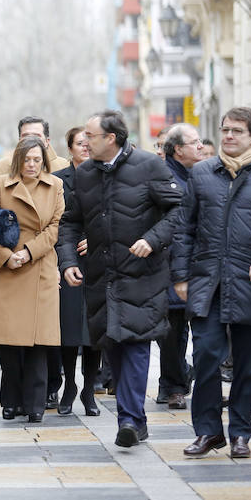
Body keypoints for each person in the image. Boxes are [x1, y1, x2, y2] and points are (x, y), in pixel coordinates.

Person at [173, 107, 251, 459]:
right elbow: (185, 228)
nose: (228, 136)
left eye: (237, 131)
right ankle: (208, 432)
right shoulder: (202, 174)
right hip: (208, 283)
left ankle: (241, 433)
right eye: (225, 130)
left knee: (247, 364)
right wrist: (181, 275)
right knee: (206, 357)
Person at [59, 110, 183, 448]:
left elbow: (179, 210)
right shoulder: (84, 174)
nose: (84, 141)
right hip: (101, 275)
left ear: (111, 138)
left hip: (143, 273)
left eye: (90, 135)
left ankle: (128, 418)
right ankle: (136, 420)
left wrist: (153, 239)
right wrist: (68, 260)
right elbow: (70, 222)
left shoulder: (150, 166)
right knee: (111, 341)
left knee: (136, 341)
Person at [0, 136, 64, 423]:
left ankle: (35, 404)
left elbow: (54, 228)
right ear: (18, 160)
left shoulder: (55, 186)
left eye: (37, 159)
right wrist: (4, 255)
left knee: (39, 342)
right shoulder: (2, 184)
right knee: (10, 341)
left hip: (39, 267)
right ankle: (11, 402)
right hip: (7, 269)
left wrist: (28, 252)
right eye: (27, 159)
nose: (32, 164)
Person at [156, 124, 205, 410]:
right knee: (172, 331)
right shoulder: (164, 179)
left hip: (200, 265)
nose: (200, 146)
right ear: (178, 149)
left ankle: (188, 383)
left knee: (196, 331)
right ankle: (173, 385)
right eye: (194, 142)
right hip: (171, 266)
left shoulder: (202, 174)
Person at [52, 127, 100, 417]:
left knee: (95, 329)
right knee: (69, 327)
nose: (85, 147)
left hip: (98, 259)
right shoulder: (59, 180)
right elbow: (56, 221)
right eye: (79, 143)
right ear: (69, 148)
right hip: (66, 258)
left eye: (89, 142)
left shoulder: (105, 176)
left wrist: (98, 238)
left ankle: (89, 389)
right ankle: (69, 385)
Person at [0, 116, 70, 180]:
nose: (31, 140)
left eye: (36, 136)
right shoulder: (1, 167)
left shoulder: (64, 166)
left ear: (47, 141)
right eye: (26, 136)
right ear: (19, 140)